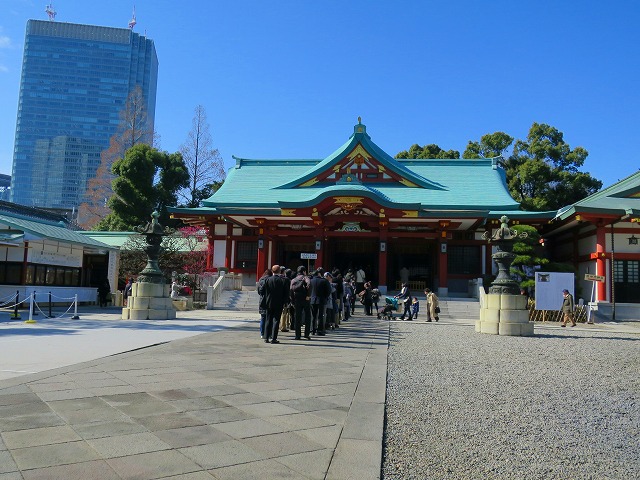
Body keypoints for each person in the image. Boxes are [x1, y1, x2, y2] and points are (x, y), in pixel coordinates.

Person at [262, 264, 289, 343]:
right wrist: (285, 302)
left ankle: (266, 337)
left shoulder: (267, 280)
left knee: (268, 319)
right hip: (279, 302)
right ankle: (274, 338)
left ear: (272, 271)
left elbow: (262, 290)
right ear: (279, 271)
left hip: (269, 302)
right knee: (276, 320)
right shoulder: (283, 280)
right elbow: (286, 293)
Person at [290, 266, 312, 339]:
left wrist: (292, 301)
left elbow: (291, 291)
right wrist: (308, 295)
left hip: (297, 300)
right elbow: (309, 284)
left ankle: (297, 335)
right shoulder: (305, 278)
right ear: (304, 271)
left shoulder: (293, 280)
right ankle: (306, 334)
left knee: (297, 317)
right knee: (308, 317)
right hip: (305, 299)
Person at [310, 268, 330, 335]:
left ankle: (312, 329)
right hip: (321, 299)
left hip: (312, 300)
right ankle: (320, 330)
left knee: (313, 315)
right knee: (321, 315)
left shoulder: (311, 281)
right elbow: (328, 291)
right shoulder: (324, 281)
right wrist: (325, 297)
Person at [257, 269, 272, 338]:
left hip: (262, 300)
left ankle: (262, 333)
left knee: (263, 318)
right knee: (269, 318)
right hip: (270, 300)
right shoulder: (270, 280)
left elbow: (259, 291)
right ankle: (269, 333)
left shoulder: (260, 280)